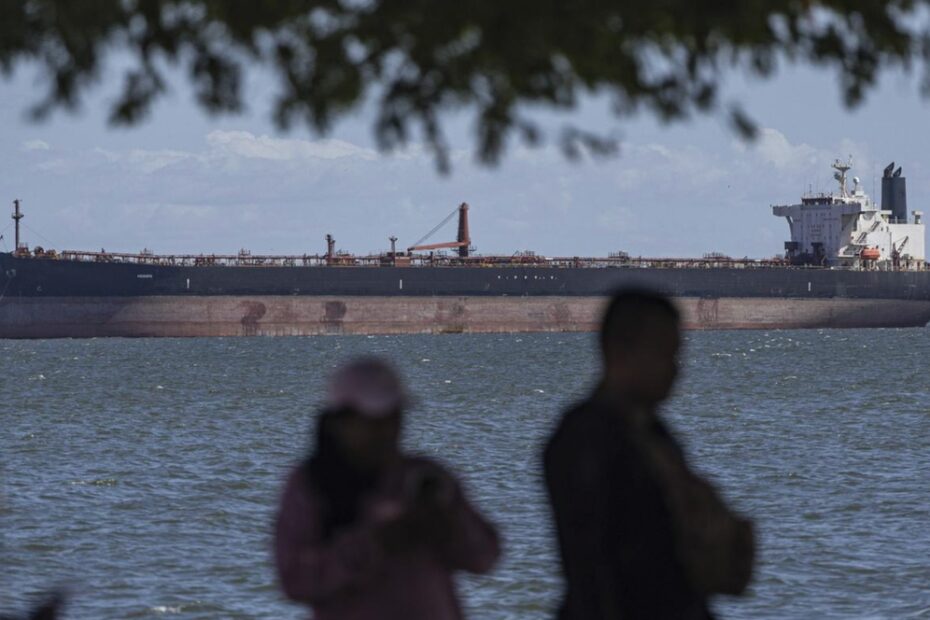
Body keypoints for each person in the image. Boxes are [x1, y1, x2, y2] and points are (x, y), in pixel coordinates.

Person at [544, 289, 754, 620]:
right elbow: (595, 564)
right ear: (618, 351)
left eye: (676, 354)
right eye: (663, 353)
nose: (675, 370)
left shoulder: (653, 431)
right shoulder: (585, 439)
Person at [274, 357, 500, 620]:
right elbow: (294, 580)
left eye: (394, 418)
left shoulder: (427, 478)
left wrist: (445, 523)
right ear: (341, 421)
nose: (387, 430)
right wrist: (373, 543)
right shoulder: (310, 486)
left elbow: (484, 557)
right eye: (374, 422)